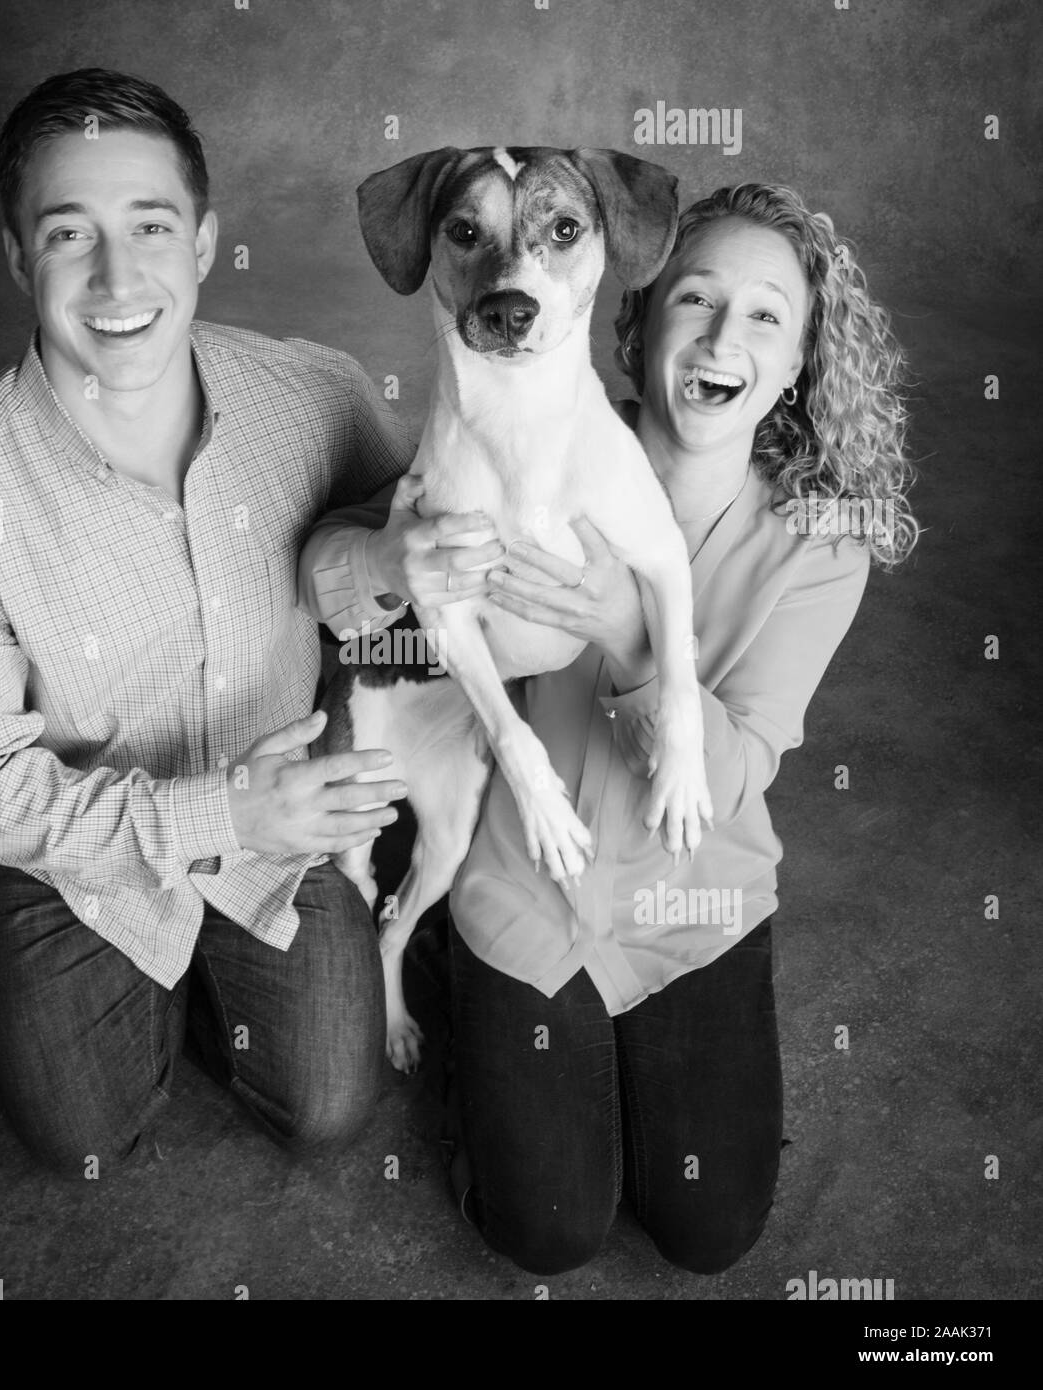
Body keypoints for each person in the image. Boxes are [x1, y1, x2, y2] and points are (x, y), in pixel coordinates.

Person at [300, 183, 917, 1274]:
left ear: (800, 359)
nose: (725, 335)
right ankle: (456, 974)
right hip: (524, 888)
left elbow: (734, 770)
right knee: (544, 1229)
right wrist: (379, 570)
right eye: (695, 297)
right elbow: (345, 562)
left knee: (710, 1228)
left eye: (766, 315)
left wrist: (630, 635)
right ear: (633, 314)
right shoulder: (543, 437)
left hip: (693, 899)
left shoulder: (821, 546)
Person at [0, 68, 415, 1177]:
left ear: (204, 242)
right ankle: (17, 920)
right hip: (76, 846)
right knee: (85, 1132)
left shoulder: (317, 397)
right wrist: (218, 811)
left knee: (328, 1108)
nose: (118, 276)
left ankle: (214, 972)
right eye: (70, 234)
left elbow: (389, 589)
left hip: (285, 816)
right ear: (22, 258)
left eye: (150, 226)